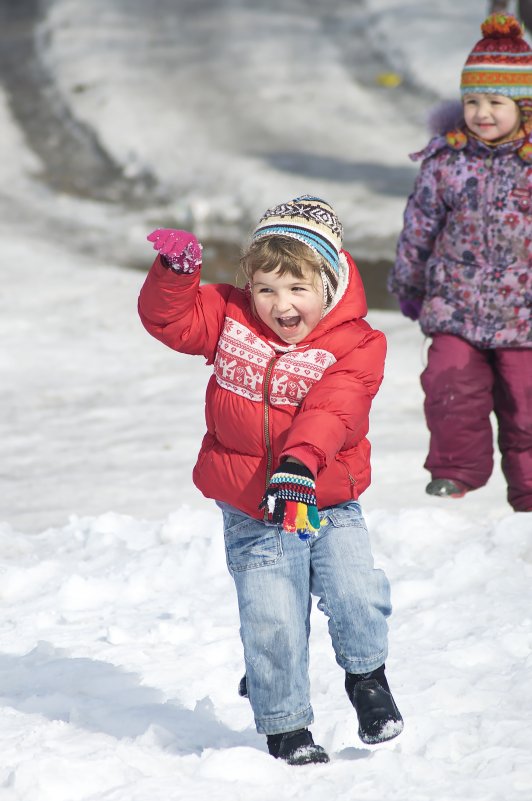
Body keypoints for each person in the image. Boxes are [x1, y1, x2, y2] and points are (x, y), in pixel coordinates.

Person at [138, 195, 403, 765]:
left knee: (357, 596)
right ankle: (286, 727)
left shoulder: (359, 343)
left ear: (329, 287)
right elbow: (172, 320)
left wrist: (299, 464)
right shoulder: (232, 319)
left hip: (328, 501)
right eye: (266, 288)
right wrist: (176, 276)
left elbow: (335, 407)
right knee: (273, 619)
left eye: (297, 289)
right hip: (253, 507)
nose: (280, 304)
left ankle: (367, 682)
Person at [388, 14, 532, 512]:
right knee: (448, 384)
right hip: (456, 306)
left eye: (496, 102)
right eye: (473, 101)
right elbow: (419, 227)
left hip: (526, 314)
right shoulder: (446, 162)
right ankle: (454, 470)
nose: (482, 113)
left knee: (527, 405)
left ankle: (530, 489)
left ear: (523, 107)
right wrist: (409, 284)